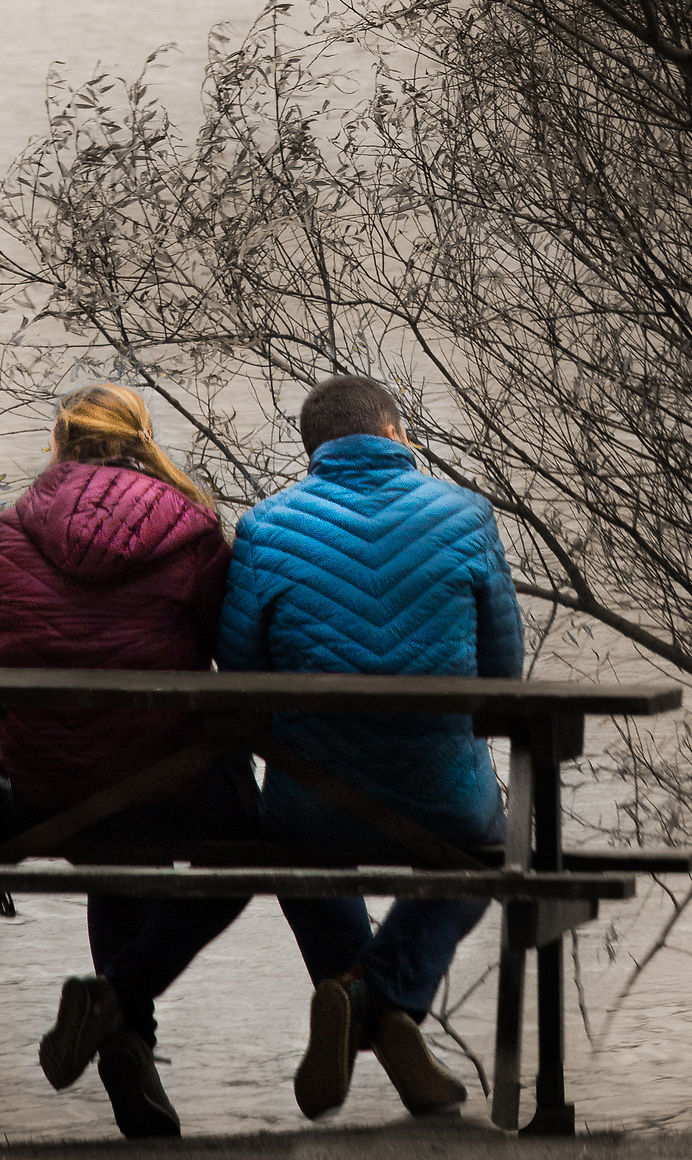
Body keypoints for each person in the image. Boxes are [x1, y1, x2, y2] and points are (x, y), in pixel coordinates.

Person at [217, 373, 525, 1119]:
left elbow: (240, 667)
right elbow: (503, 663)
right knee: (493, 851)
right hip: (441, 788)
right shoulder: (465, 514)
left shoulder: (267, 526)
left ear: (313, 449)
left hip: (310, 792)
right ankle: (380, 1001)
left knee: (299, 848)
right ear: (395, 435)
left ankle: (360, 995)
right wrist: (467, 731)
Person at [0, 382, 251, 1139]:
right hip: (166, 780)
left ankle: (126, 1037)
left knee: (113, 825)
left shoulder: (6, 532)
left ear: (59, 443)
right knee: (242, 838)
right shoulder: (193, 532)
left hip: (46, 790)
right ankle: (120, 1007)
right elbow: (221, 647)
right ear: (142, 437)